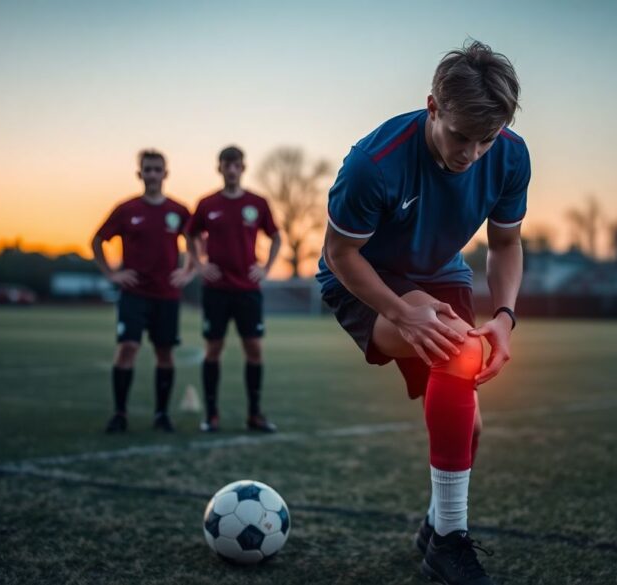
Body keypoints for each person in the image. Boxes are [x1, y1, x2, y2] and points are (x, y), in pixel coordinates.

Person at [317, 40, 528, 584]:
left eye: (486, 140)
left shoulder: (509, 154)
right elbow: (341, 254)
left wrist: (504, 317)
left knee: (470, 428)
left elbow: (505, 245)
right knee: (454, 350)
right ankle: (451, 542)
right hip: (366, 277)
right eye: (461, 136)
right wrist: (400, 310)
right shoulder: (373, 165)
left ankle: (436, 525)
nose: (472, 153)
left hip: (441, 271)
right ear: (433, 106)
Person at [92, 149, 193, 433]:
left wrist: (188, 272)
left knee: (165, 353)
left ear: (165, 173)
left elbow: (198, 243)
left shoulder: (179, 211)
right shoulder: (127, 210)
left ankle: (161, 415)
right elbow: (98, 240)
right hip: (133, 294)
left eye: (156, 169)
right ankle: (120, 413)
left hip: (167, 295)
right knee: (127, 348)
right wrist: (112, 273)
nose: (152, 174)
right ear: (140, 174)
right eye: (147, 169)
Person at [186, 146, 282, 433]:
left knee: (254, 349)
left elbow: (276, 236)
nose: (231, 169)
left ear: (243, 167)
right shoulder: (206, 204)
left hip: (247, 290)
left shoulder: (258, 203)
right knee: (213, 349)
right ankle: (211, 415)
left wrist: (265, 269)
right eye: (226, 165)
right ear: (219, 168)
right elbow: (190, 235)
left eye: (236, 164)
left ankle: (254, 414)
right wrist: (200, 266)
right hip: (215, 290)